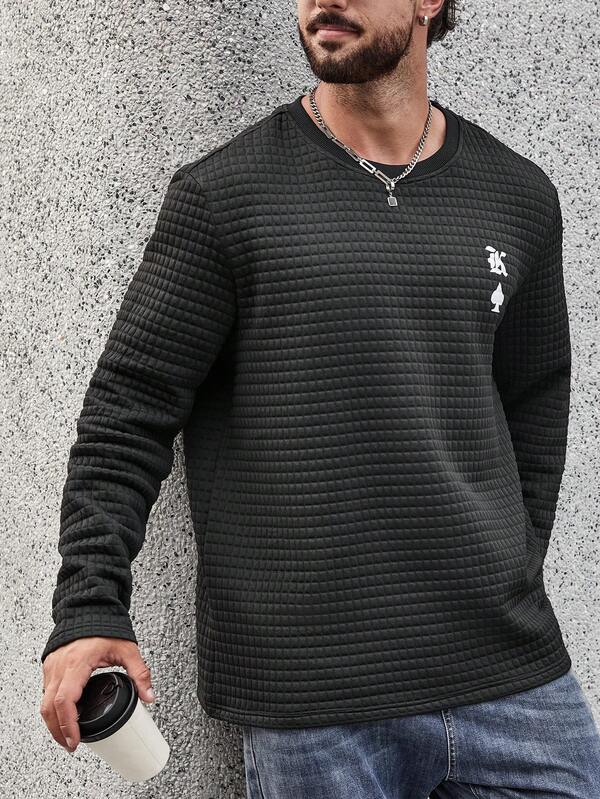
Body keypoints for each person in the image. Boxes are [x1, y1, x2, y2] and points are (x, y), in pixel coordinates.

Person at [40, 0, 600, 796]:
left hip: (509, 677)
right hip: (316, 703)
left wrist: (505, 570)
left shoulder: (517, 194)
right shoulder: (226, 195)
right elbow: (126, 414)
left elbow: (536, 414)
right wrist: (89, 605)